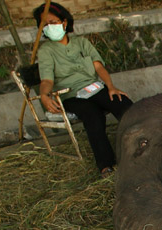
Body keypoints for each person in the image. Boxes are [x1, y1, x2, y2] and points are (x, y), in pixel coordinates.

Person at [33, 2, 133, 177]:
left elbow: (98, 67)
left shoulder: (82, 43)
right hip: (70, 95)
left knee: (122, 103)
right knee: (92, 115)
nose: (50, 27)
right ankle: (106, 165)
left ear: (64, 22)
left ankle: (141, 148)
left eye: (53, 22)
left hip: (94, 87)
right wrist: (44, 94)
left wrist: (111, 87)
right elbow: (47, 79)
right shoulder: (46, 51)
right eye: (46, 24)